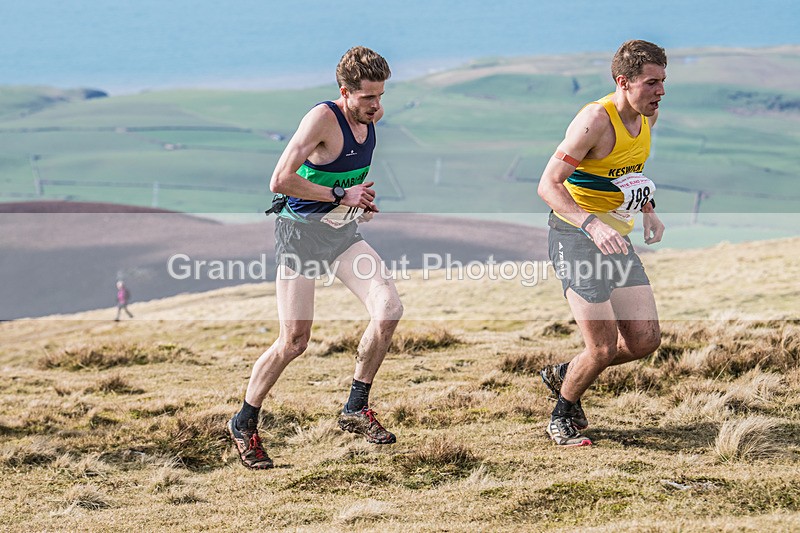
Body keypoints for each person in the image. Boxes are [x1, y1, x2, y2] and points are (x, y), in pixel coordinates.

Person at [227, 46, 403, 469]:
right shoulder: (323, 118)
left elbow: (342, 176)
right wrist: (342, 194)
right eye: (367, 98)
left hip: (341, 234)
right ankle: (244, 422)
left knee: (389, 308)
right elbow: (281, 179)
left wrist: (354, 200)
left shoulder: (368, 119)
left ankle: (355, 408)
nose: (377, 106)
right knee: (295, 342)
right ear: (345, 92)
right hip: (299, 238)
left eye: (381, 96)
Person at [536, 40, 667, 446]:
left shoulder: (648, 116)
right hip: (575, 236)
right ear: (622, 82)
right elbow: (548, 184)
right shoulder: (594, 120)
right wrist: (591, 224)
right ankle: (562, 412)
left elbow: (624, 174)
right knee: (603, 347)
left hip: (615, 236)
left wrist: (648, 209)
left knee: (645, 340)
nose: (660, 92)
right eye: (651, 83)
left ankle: (569, 369)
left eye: (663, 82)